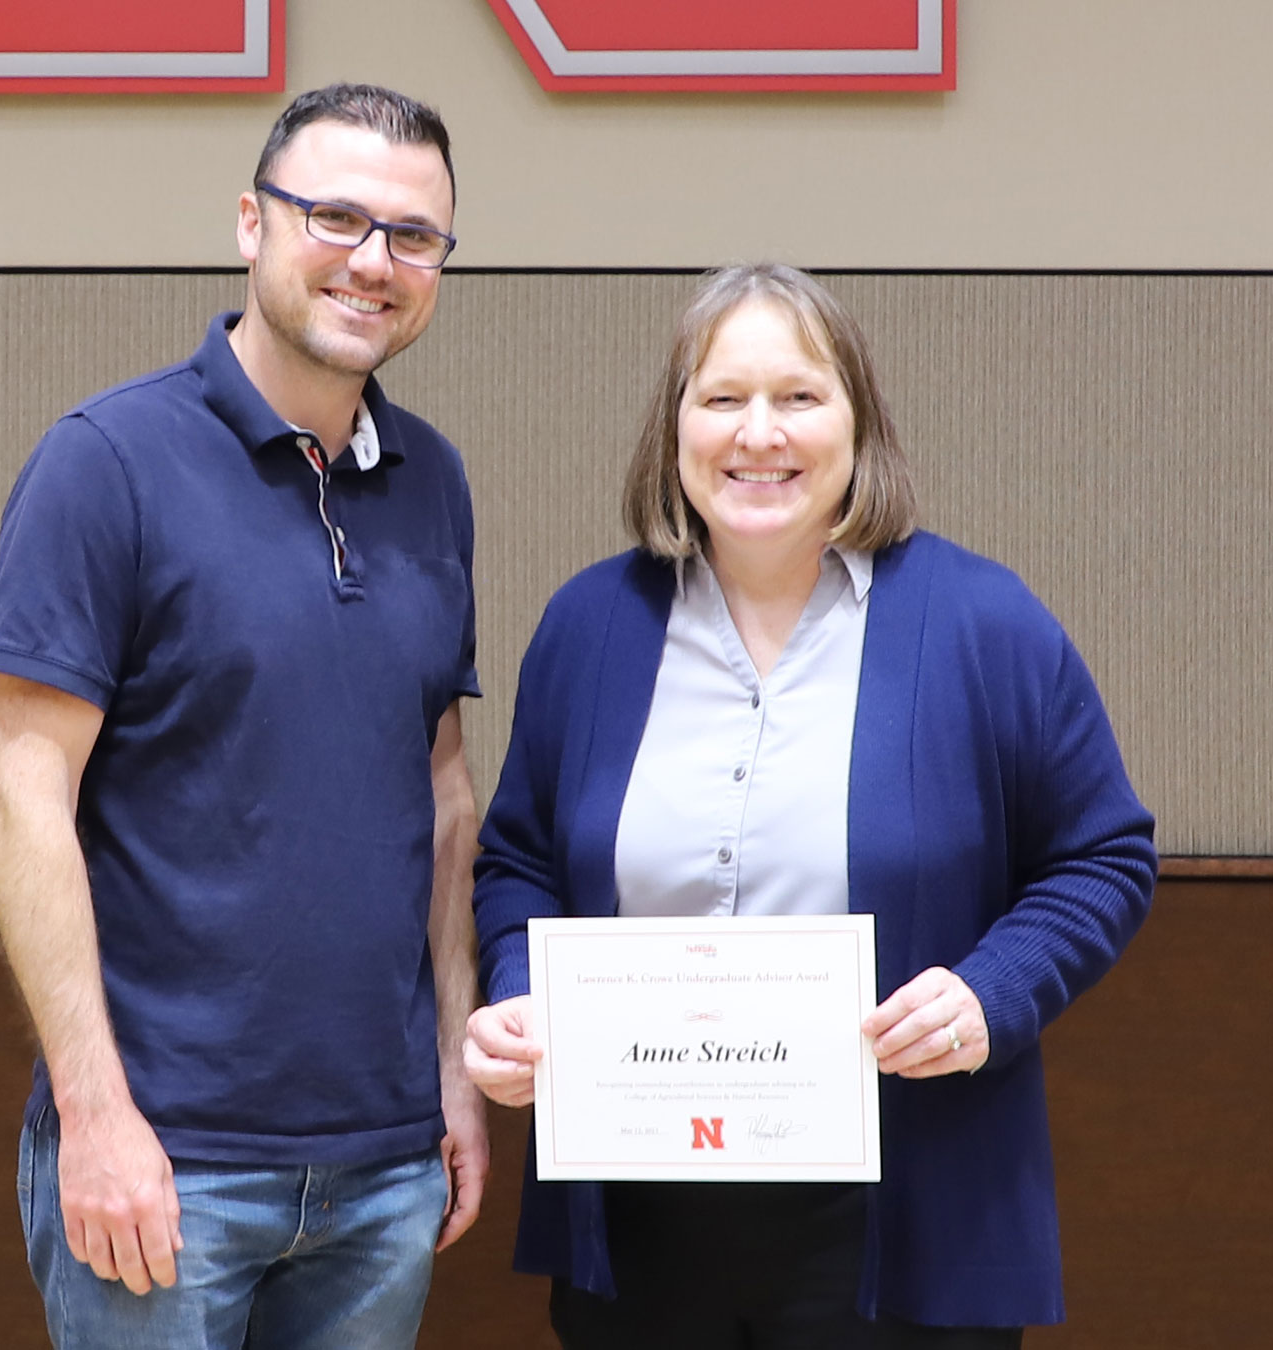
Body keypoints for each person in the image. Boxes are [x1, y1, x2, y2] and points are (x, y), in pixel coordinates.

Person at [462, 263, 1158, 1347]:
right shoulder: (591, 627)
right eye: (722, 397)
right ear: (675, 428)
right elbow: (518, 862)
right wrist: (516, 991)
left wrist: (990, 994)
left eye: (798, 396)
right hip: (640, 1214)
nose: (759, 433)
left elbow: (1104, 856)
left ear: (858, 424)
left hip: (898, 1219)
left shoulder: (982, 625)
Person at [0, 83, 487, 1350]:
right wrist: (95, 1117)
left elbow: (442, 789)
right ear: (252, 223)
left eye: (413, 236)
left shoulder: (435, 481)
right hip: (167, 1162)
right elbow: (19, 801)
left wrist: (450, 1080)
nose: (374, 262)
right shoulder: (107, 462)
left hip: (382, 1167)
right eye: (337, 217)